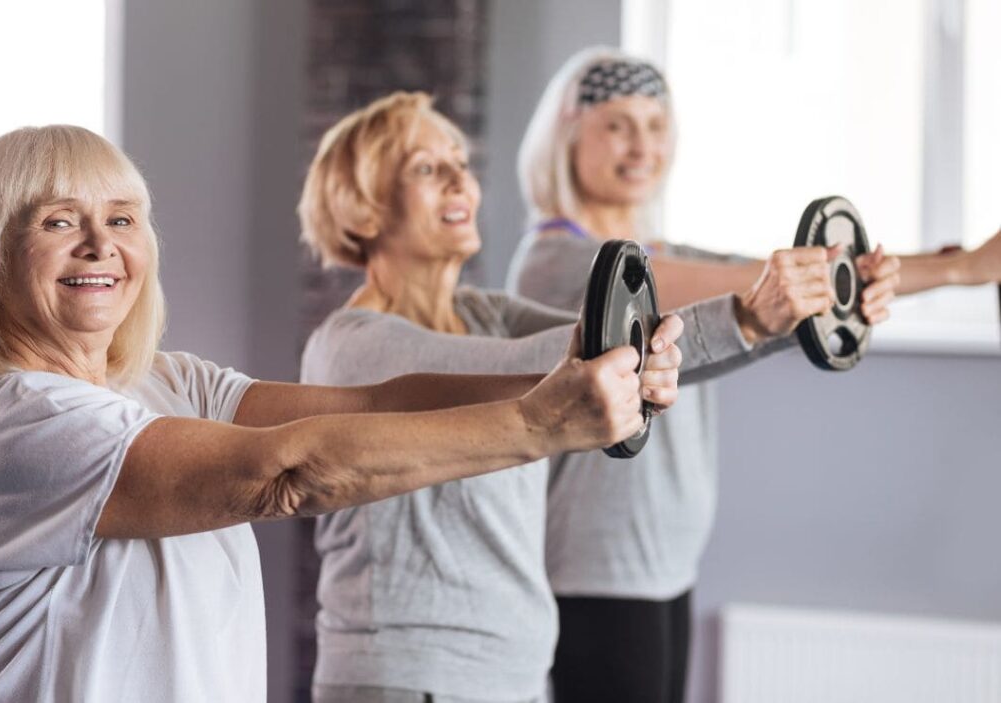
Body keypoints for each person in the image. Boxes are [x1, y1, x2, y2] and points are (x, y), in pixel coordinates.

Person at [0, 124, 655, 702]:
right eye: (57, 221)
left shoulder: (168, 383)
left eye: (122, 218)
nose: (101, 245)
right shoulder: (13, 426)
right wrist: (541, 425)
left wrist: (573, 376)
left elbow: (377, 402)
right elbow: (288, 472)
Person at [294, 91, 883, 703]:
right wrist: (749, 317)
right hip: (410, 679)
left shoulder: (483, 313)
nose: (459, 181)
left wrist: (787, 322)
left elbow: (615, 343)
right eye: (425, 168)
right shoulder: (354, 344)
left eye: (461, 164)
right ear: (361, 212)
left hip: (509, 674)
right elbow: (560, 364)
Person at [509, 47, 906, 702]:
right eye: (618, 124)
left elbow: (782, 288)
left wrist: (916, 272)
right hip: (598, 565)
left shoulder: (661, 252)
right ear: (568, 136)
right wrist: (951, 270)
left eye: (656, 125)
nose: (643, 145)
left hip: (668, 558)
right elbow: (762, 286)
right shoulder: (559, 261)